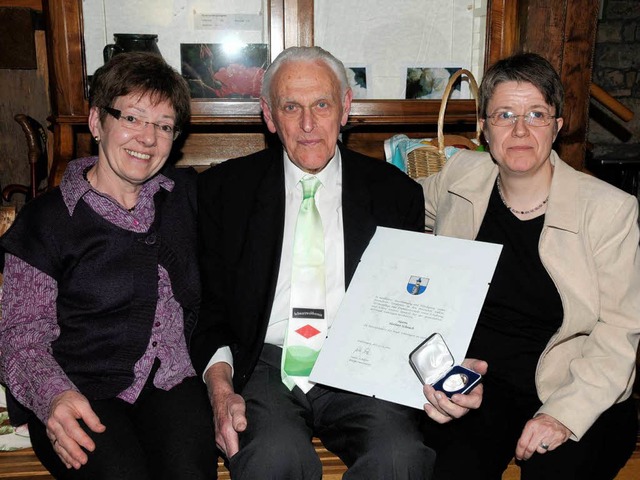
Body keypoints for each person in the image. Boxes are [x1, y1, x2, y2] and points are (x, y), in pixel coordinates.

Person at [192, 46, 485, 480]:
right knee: (274, 458)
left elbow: (415, 305)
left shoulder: (394, 193)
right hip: (265, 363)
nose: (308, 124)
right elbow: (209, 308)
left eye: (322, 105)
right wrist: (220, 390)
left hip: (361, 363)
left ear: (345, 107)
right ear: (270, 116)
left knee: (399, 456)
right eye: (291, 107)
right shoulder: (224, 190)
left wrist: (446, 369)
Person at [418, 52, 640, 479]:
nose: (520, 129)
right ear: (483, 128)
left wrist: (562, 415)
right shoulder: (458, 177)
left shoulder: (609, 210)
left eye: (536, 114)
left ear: (557, 127)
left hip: (577, 386)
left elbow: (619, 332)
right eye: (505, 114)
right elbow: (396, 207)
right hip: (479, 386)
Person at [0, 52, 217, 480]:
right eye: (133, 118)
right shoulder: (47, 221)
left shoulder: (187, 198)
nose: (148, 138)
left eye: (164, 125)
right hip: (76, 387)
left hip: (171, 381)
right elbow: (20, 335)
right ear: (98, 122)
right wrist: (53, 398)